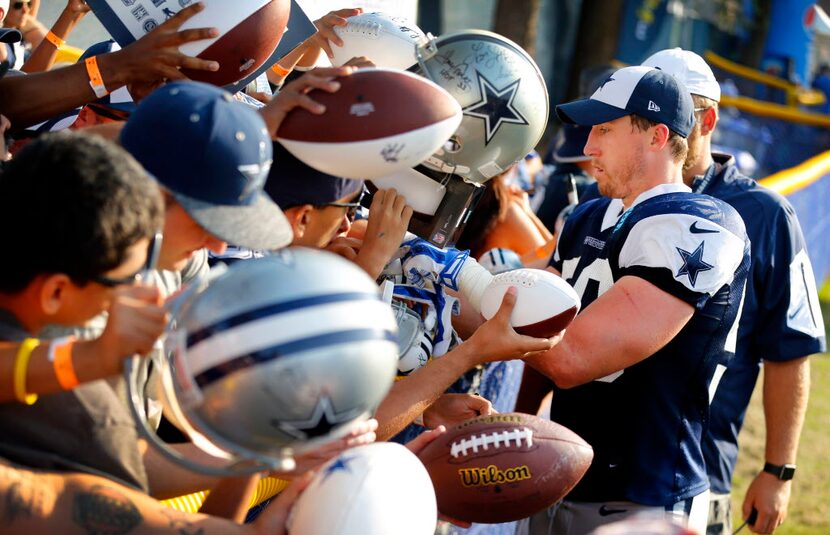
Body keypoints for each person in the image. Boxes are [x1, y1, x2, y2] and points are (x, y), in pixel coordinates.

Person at [516, 66, 750, 534]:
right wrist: (515, 431)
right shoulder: (586, 216)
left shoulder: (700, 224)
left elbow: (570, 356)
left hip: (641, 498)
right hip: (557, 472)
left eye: (604, 129)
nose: (587, 147)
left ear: (658, 136)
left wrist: (470, 285)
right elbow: (527, 318)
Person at [642, 48, 826, 535]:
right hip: (596, 462)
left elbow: (790, 350)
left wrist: (778, 471)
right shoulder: (613, 195)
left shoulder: (765, 215)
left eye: (675, 114)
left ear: (709, 120)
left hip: (696, 474)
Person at [0, 131, 166, 399]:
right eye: (128, 277)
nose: (140, 286)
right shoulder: (84, 419)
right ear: (55, 292)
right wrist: (98, 355)